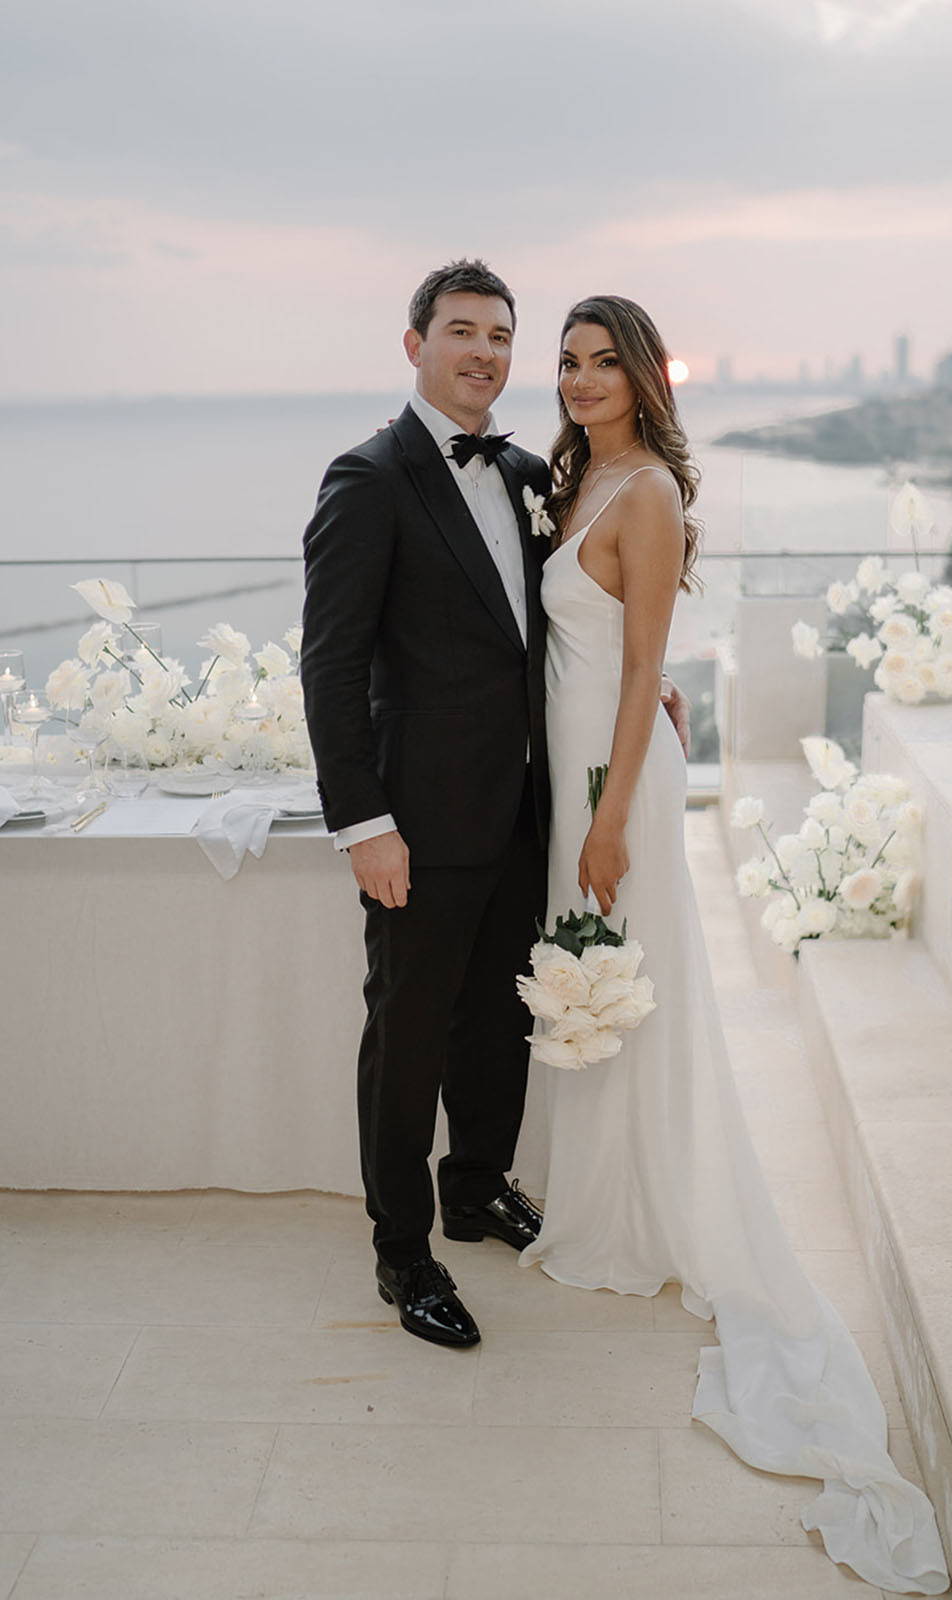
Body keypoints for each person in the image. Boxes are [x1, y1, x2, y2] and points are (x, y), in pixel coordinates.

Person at [518, 294, 950, 1596]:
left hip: (609, 782)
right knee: (602, 986)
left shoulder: (643, 493)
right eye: (569, 362)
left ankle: (634, 1212)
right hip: (577, 760)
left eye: (605, 363)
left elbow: (652, 657)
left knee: (623, 980)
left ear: (647, 378)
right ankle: (606, 1194)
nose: (582, 381)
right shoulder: (579, 471)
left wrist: (606, 818)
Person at [300, 259, 690, 1352]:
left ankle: (474, 1189)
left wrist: (644, 681)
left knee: (498, 1025)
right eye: (461, 331)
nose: (483, 353)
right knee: (408, 1032)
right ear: (415, 342)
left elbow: (576, 615)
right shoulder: (367, 478)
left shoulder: (532, 473)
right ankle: (404, 1248)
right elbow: (328, 669)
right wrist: (364, 822)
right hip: (418, 823)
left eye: (499, 337)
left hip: (530, 810)